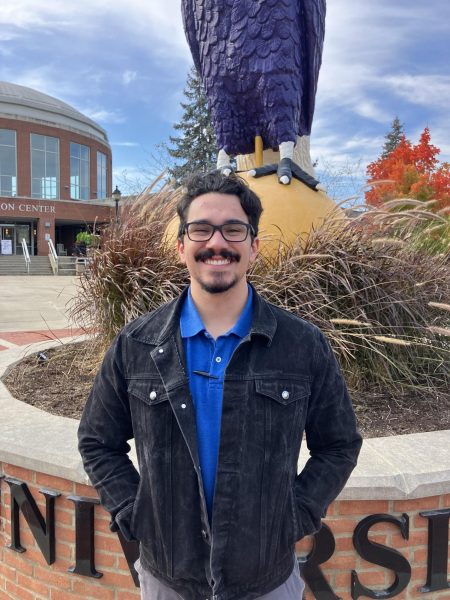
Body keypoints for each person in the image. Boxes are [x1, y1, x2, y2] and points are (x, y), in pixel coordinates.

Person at [78, 170, 362, 600]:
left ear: (253, 247)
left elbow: (339, 444)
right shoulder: (136, 345)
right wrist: (135, 511)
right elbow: (97, 441)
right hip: (167, 579)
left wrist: (296, 513)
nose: (217, 243)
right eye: (201, 229)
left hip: (268, 580)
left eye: (233, 230)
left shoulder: (302, 345)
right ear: (181, 247)